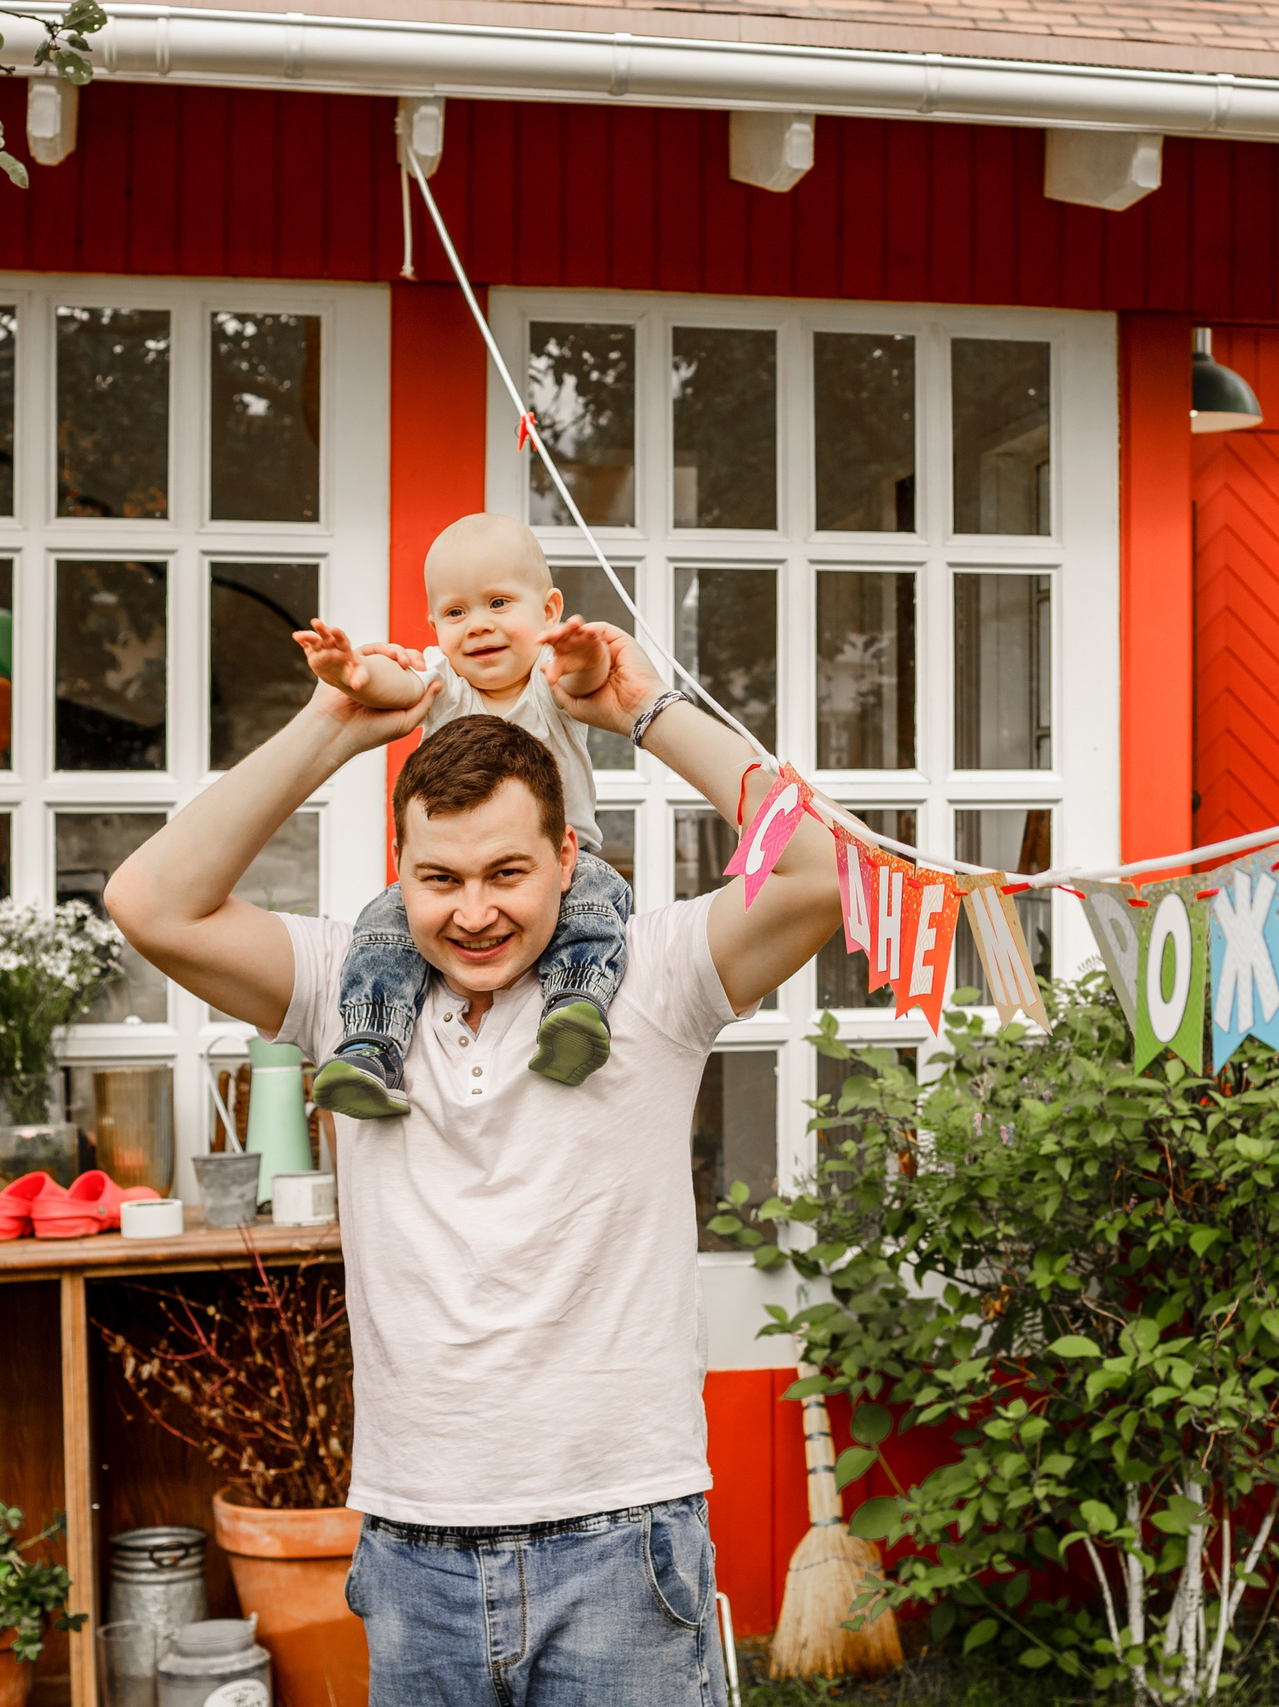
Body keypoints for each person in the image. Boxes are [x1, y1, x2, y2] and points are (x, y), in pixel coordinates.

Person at [103, 617, 844, 1707]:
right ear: (400, 873)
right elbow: (149, 901)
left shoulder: (648, 978)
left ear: (566, 858)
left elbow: (821, 872)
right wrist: (334, 726)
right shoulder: (341, 988)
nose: (476, 911)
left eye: (508, 871)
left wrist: (647, 711)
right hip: (415, 1549)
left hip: (621, 1535)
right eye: (439, 878)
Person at [293, 512, 625, 1121]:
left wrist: (585, 656)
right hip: (449, 865)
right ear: (434, 627)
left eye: (499, 602)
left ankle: (574, 1007)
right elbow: (400, 683)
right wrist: (357, 675)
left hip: (566, 866)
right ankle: (372, 1047)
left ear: (548, 611)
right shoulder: (445, 682)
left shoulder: (549, 683)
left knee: (598, 905)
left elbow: (589, 678)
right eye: (455, 613)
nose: (478, 626)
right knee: (383, 926)